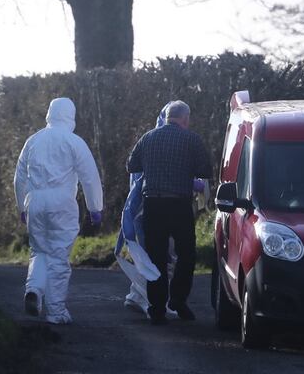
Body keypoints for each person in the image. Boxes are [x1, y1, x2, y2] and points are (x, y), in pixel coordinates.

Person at [14, 97, 104, 325]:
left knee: (39, 251)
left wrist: (21, 206)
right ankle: (56, 312)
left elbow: (19, 178)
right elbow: (90, 178)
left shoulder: (33, 140)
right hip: (62, 201)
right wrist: (95, 208)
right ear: (70, 116)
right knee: (58, 257)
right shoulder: (74, 142)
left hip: (34, 200)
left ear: (49, 114)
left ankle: (34, 289)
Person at [116, 102, 209, 314]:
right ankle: (178, 299)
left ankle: (156, 306)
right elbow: (205, 170)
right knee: (186, 254)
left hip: (153, 205)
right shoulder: (192, 139)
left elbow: (132, 166)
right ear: (185, 119)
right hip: (179, 204)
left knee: (156, 255)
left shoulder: (148, 138)